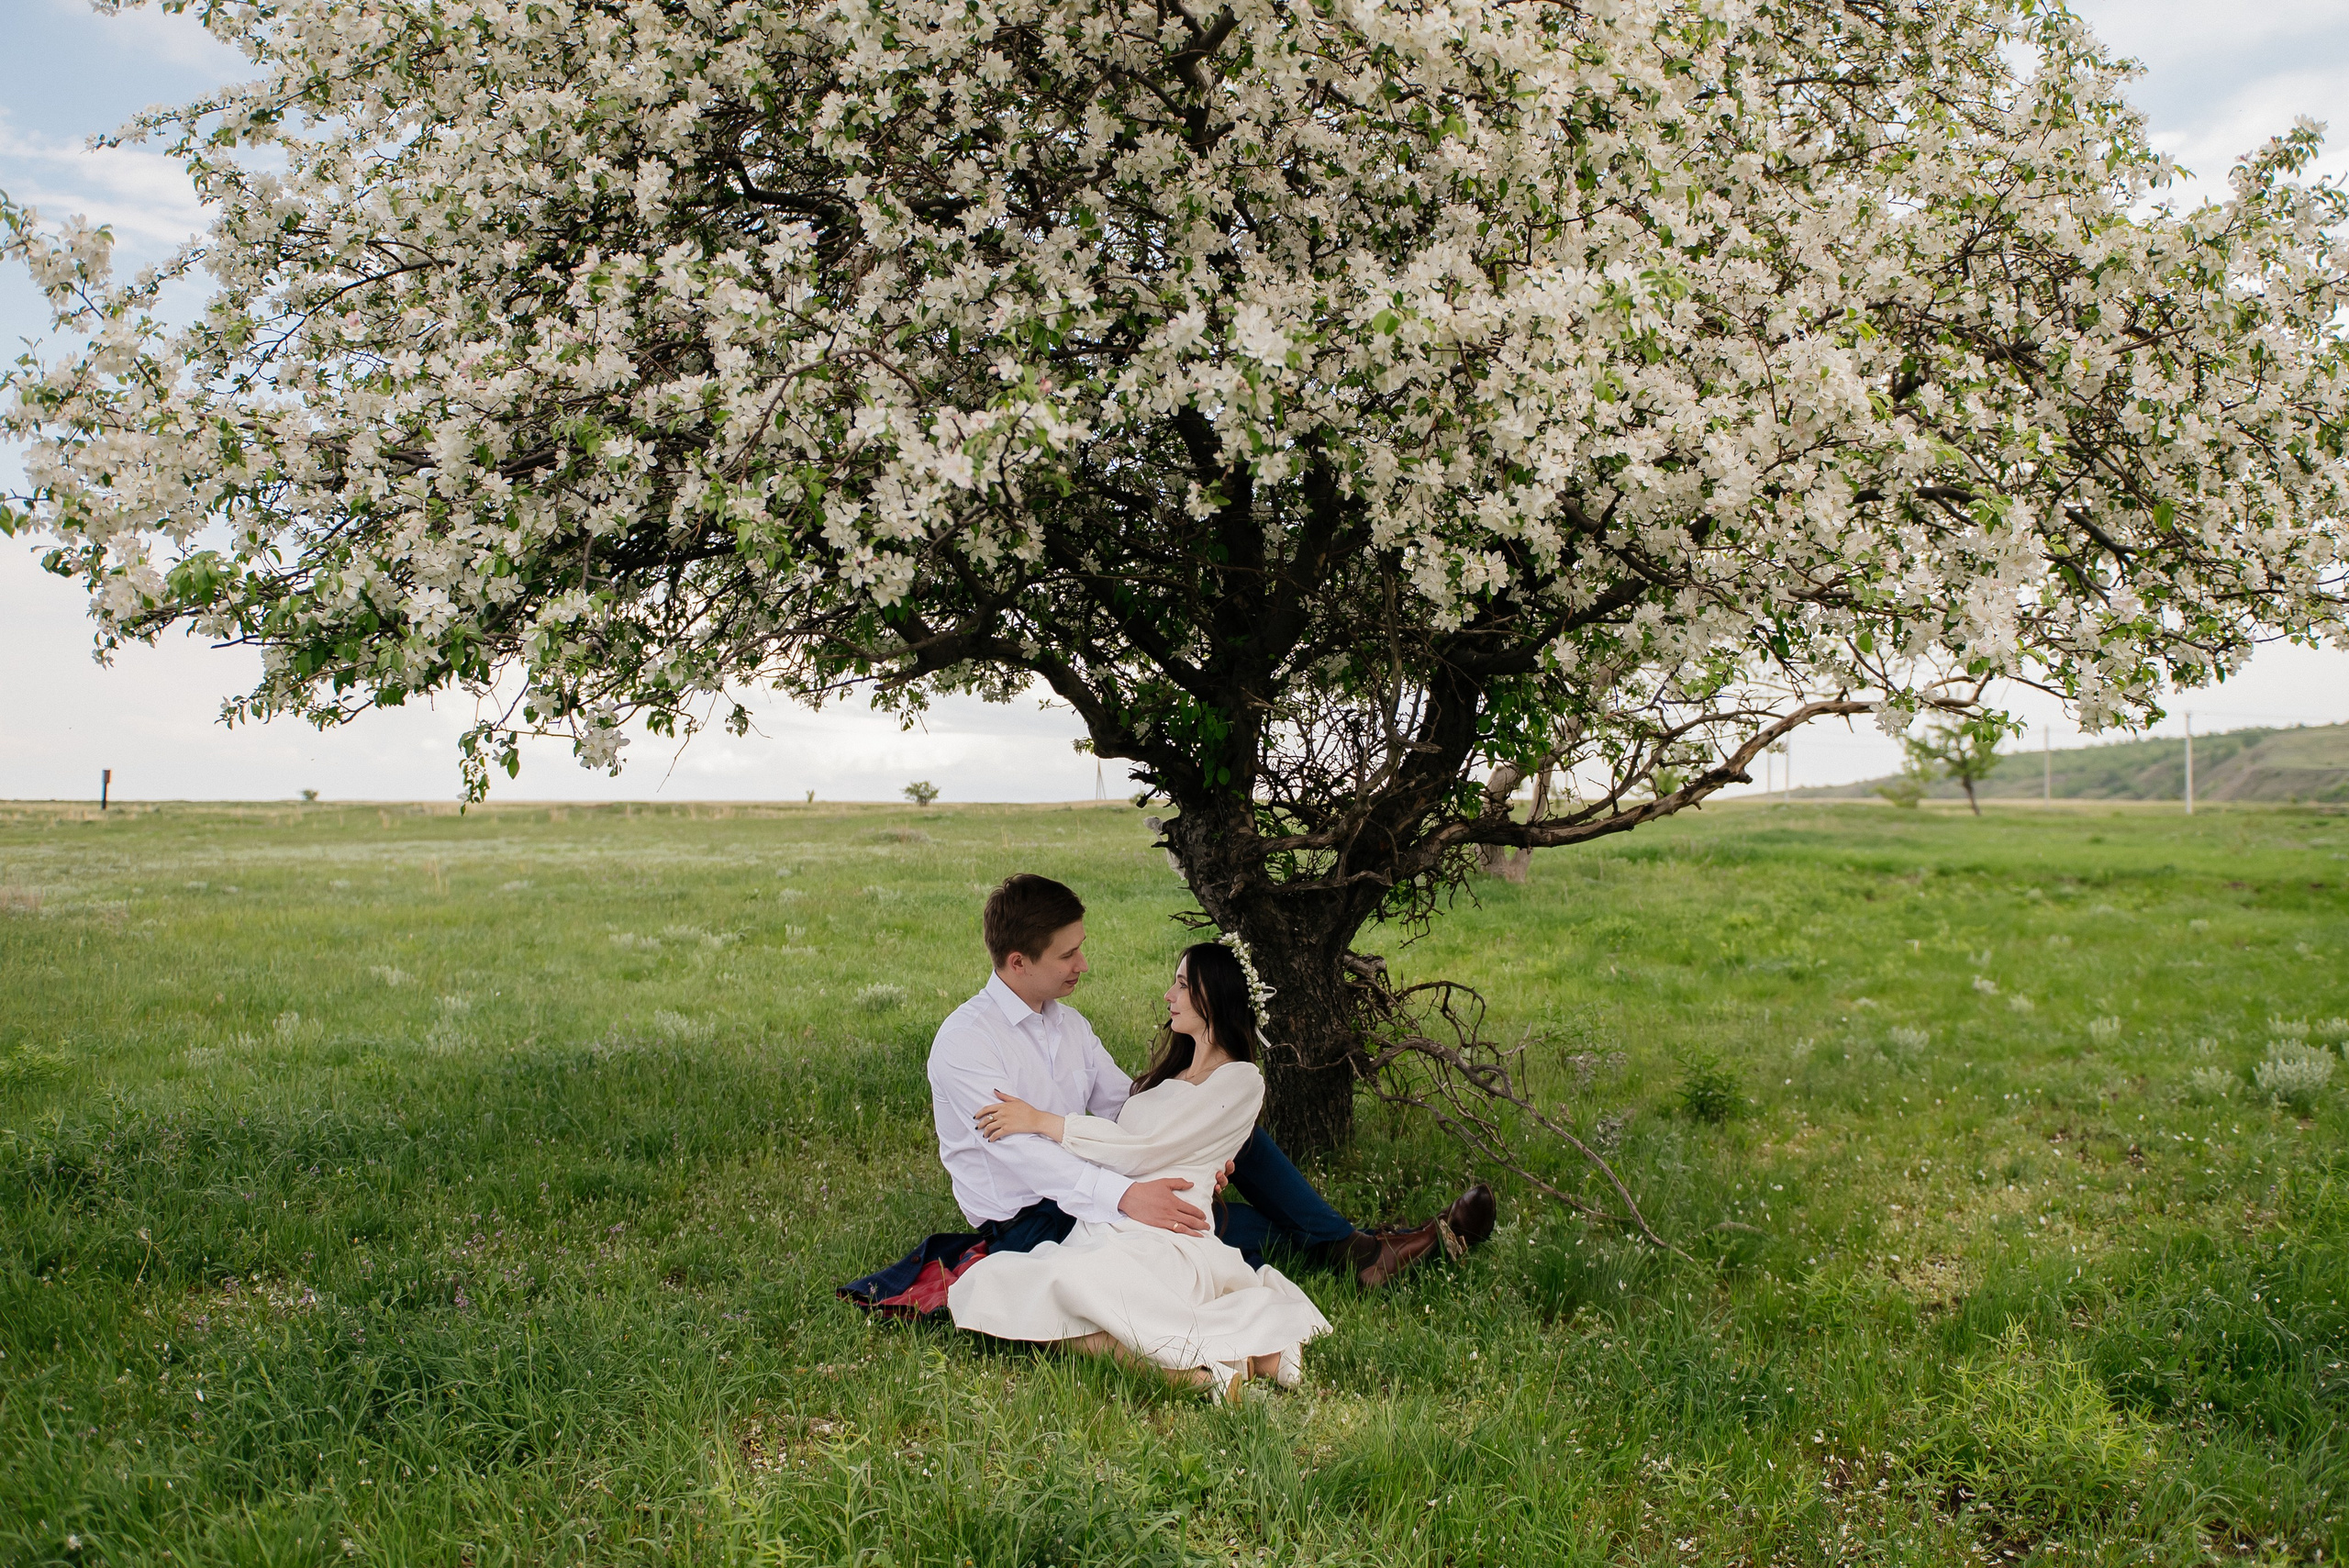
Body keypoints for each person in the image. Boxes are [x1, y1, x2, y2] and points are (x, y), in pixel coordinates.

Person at [837, 874, 1494, 1319]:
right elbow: (1028, 1160)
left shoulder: (1067, 1025)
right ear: (1016, 962)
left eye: (1080, 948)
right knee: (1207, 1225)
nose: (1082, 966)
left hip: (1100, 1175)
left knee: (1241, 1142)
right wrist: (1129, 1195)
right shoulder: (966, 1044)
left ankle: (1357, 1247)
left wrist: (1203, 1139)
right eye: (1067, 955)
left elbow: (1126, 1103)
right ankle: (1357, 1251)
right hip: (1034, 1218)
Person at [946, 941, 1329, 1398]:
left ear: (1215, 997)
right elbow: (1136, 1133)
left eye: (1183, 985)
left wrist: (1042, 1121)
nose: (1169, 995)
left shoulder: (1242, 1079)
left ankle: (1196, 1377)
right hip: (1115, 1221)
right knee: (995, 1286)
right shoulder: (1168, 1079)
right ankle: (1247, 1358)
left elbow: (1141, 1147)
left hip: (1165, 1230)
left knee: (1047, 1292)